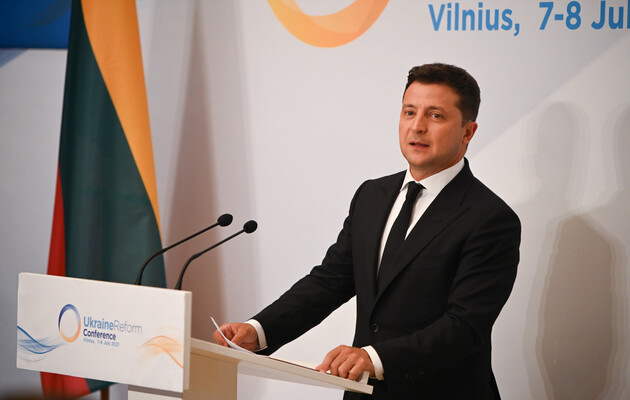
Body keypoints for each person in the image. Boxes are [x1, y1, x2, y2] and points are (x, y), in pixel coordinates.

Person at [214, 63, 521, 399]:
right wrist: (259, 330)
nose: (417, 126)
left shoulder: (489, 218)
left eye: (435, 116)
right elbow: (329, 282)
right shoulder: (372, 196)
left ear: (468, 132)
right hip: (365, 393)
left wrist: (374, 358)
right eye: (409, 112)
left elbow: (465, 327)